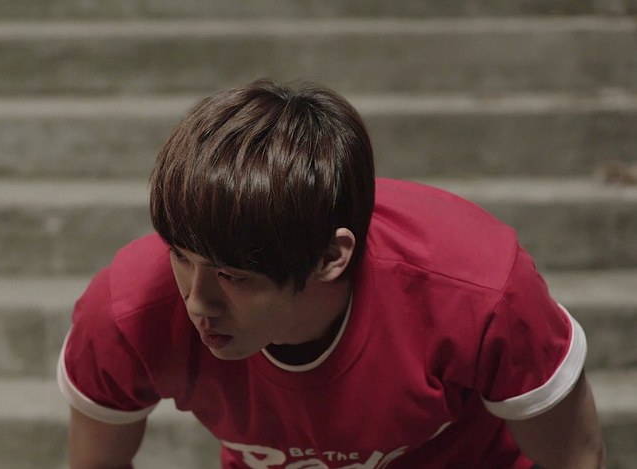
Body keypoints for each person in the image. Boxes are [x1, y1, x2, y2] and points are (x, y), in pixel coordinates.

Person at [57, 80, 606, 468]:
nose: (198, 302)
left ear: (331, 257)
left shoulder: (478, 293)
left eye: (234, 276)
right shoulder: (128, 309)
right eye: (181, 256)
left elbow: (576, 457)